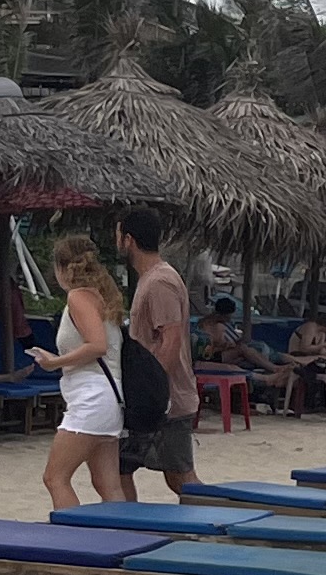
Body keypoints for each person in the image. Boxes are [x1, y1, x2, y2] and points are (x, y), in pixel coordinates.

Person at [30, 233, 129, 508]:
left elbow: (97, 345)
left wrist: (54, 363)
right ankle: (122, 536)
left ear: (62, 268)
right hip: (108, 396)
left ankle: (72, 541)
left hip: (92, 396)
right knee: (107, 483)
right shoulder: (100, 297)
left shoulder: (79, 297)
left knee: (55, 477)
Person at [116, 206, 201, 496]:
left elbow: (171, 340)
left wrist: (152, 390)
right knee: (120, 467)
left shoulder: (159, 282)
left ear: (128, 239)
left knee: (180, 477)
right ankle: (130, 527)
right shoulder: (151, 279)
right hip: (155, 397)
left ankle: (221, 518)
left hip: (166, 399)